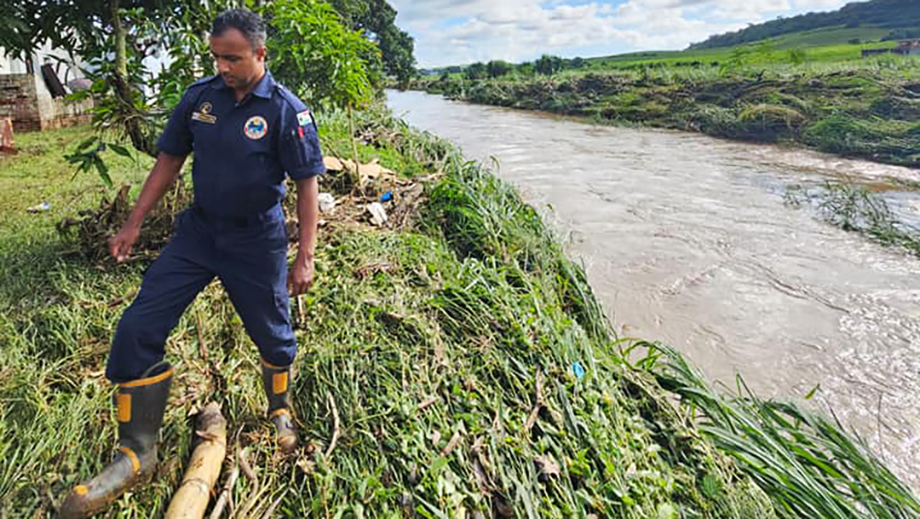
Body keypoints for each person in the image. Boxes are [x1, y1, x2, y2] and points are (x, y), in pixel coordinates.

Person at [61, 9, 324, 518]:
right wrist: (135, 221)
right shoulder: (200, 99)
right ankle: (138, 453)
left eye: (233, 58)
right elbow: (169, 160)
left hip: (256, 240)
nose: (223, 66)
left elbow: (307, 183)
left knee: (273, 334)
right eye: (217, 57)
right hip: (199, 234)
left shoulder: (286, 110)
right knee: (138, 325)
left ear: (260, 54)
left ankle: (280, 410)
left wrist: (304, 256)